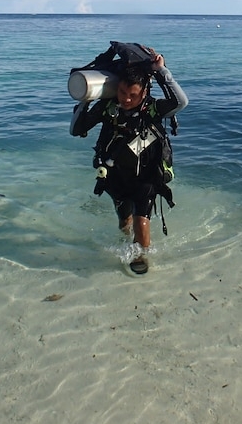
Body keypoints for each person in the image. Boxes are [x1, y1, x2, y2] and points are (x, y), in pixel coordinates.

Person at [70, 51, 188, 275]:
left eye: (132, 95)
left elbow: (181, 102)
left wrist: (161, 71)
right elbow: (76, 130)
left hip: (146, 177)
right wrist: (85, 102)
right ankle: (127, 242)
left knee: (141, 220)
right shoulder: (108, 107)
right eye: (122, 92)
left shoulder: (152, 109)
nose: (125, 99)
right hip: (115, 175)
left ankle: (141, 255)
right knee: (124, 220)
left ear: (144, 92)